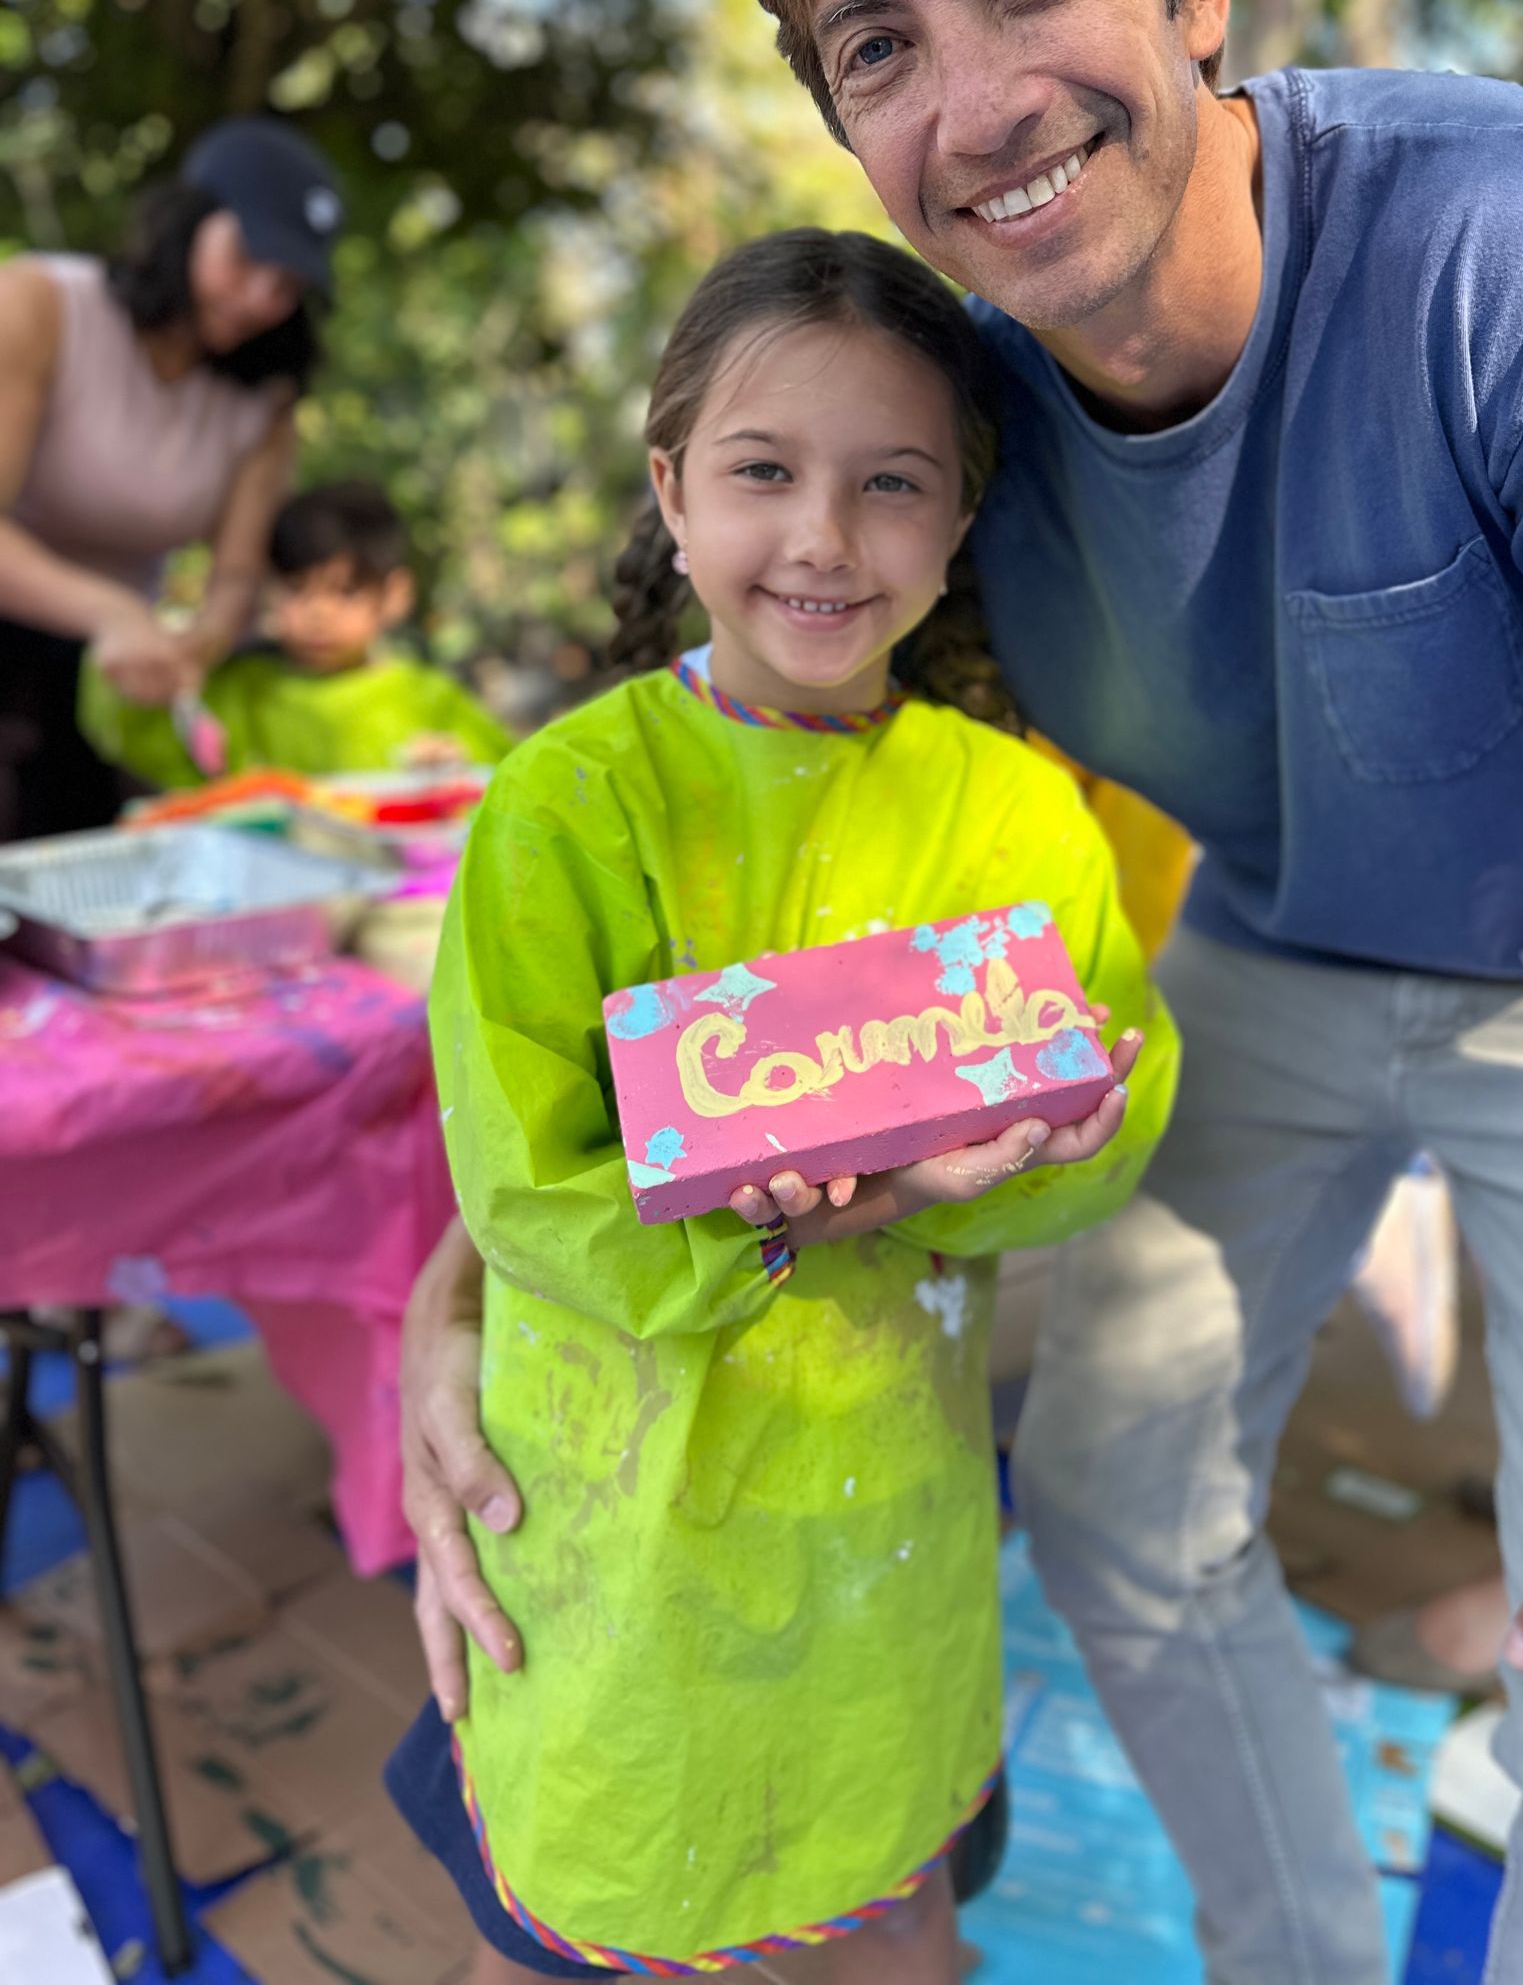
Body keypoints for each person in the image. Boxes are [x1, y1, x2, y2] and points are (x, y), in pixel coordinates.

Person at [401, 0, 1523, 1985]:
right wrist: (452, 1303)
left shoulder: (1518, 249)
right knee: (1110, 1497)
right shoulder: (940, 443)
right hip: (1276, 945)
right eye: (874, 43)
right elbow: (654, 910)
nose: (973, 100)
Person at [383, 228, 1176, 1983]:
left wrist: (1036, 1152)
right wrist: (846, 1205)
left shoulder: (1018, 817)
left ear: (959, 521)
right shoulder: (567, 808)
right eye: (764, 472)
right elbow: (524, 1188)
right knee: (643, 1861)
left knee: (890, 1905)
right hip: (621, 1521)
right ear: (671, 489)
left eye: (892, 483)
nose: (822, 538)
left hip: (881, 1525)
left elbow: (1112, 1089)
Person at [0, 117, 342, 840]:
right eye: (246, 258)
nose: (259, 299)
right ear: (186, 224)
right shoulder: (39, 304)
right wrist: (111, 612)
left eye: (287, 285)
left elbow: (236, 574)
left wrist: (198, 645)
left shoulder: (265, 396)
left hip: (104, 683)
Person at [78, 478, 513, 787]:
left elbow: (507, 781)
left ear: (395, 594)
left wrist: (455, 768)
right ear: (267, 589)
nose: (317, 612)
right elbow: (137, 736)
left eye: (345, 591)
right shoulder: (241, 692)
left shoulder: (429, 698)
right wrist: (140, 671)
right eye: (296, 589)